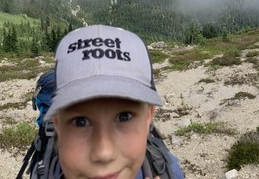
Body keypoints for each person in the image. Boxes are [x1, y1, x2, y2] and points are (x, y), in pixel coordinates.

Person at [46, 25, 184, 179]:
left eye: (124, 117)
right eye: (80, 122)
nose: (104, 153)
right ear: (57, 124)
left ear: (148, 118)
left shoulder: (169, 171)